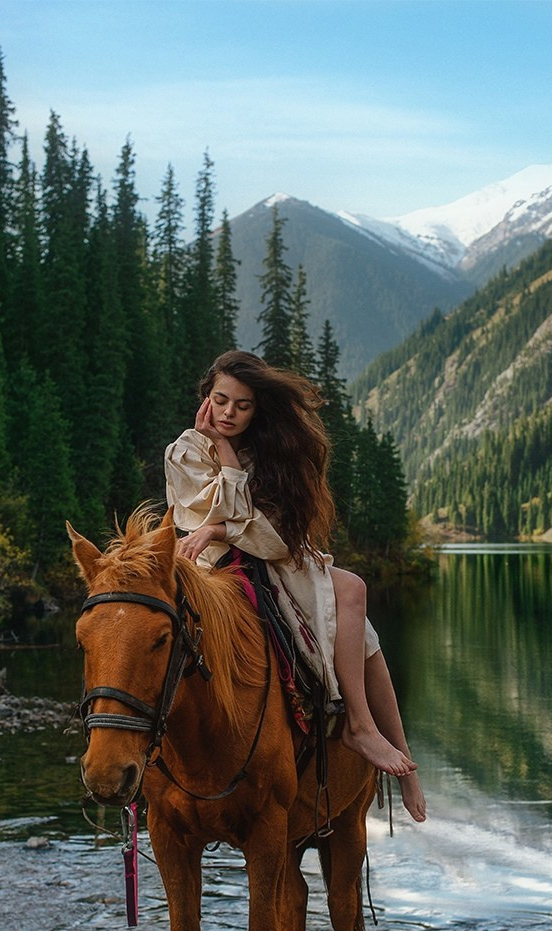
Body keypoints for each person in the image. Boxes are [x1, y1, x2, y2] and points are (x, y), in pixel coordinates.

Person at [164, 350, 426, 823]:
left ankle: (378, 741)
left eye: (242, 405)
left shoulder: (276, 452)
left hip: (272, 556)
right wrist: (221, 502)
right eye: (220, 400)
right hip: (208, 565)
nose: (228, 413)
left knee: (356, 612)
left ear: (258, 408)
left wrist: (225, 476)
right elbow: (202, 516)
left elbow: (272, 532)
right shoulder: (182, 452)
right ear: (206, 397)